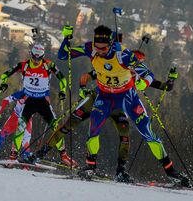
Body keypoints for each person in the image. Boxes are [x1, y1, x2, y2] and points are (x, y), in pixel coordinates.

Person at [57, 24, 189, 186]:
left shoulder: (123, 55)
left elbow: (147, 73)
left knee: (148, 134)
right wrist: (66, 38)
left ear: (111, 44)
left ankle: (172, 173)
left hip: (127, 97)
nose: (100, 51)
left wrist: (144, 84)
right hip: (104, 96)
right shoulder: (90, 48)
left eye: (104, 48)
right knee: (93, 130)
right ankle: (90, 167)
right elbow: (64, 56)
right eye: (97, 47)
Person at [38, 56, 177, 182]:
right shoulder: (113, 65)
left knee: (125, 136)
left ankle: (120, 171)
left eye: (140, 62)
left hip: (118, 108)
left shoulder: (139, 74)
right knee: (69, 125)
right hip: (97, 100)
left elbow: (165, 87)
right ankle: (41, 153)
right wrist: (82, 88)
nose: (137, 64)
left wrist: (171, 80)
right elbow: (85, 76)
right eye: (135, 60)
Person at [0, 43, 74, 166]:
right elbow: (5, 74)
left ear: (42, 56)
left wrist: (62, 91)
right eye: (34, 57)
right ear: (31, 55)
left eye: (39, 58)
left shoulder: (49, 65)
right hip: (29, 101)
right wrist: (3, 83)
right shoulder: (23, 65)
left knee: (55, 127)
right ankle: (13, 156)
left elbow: (63, 79)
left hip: (43, 101)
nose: (36, 60)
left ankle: (64, 155)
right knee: (20, 127)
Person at [0, 89, 33, 161]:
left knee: (25, 143)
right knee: (2, 135)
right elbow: (5, 100)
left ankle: (26, 163)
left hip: (26, 120)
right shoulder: (22, 93)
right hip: (14, 118)